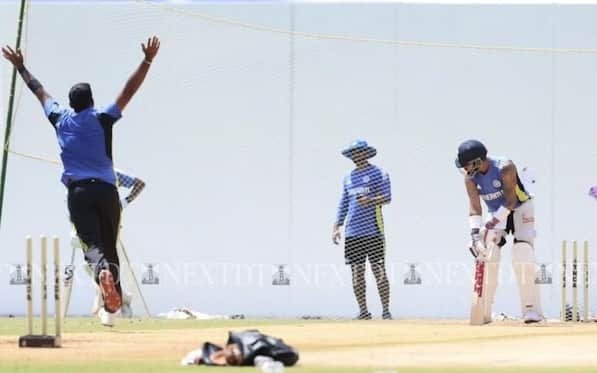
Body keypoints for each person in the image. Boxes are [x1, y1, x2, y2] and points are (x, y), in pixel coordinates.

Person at [2, 36, 160, 319]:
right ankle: (113, 296)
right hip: (108, 191)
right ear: (92, 101)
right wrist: (147, 61)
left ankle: (104, 280)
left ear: (72, 103)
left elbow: (40, 92)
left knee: (92, 243)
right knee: (110, 244)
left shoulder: (60, 119)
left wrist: (21, 67)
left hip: (78, 193)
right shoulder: (102, 117)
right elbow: (128, 91)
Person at [455, 139, 542, 324]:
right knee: (489, 253)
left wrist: (489, 226)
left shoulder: (505, 167)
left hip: (520, 207)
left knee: (522, 252)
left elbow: (510, 202)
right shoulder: (470, 177)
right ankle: (484, 311)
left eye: (468, 165)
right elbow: (474, 206)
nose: (465, 169)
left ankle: (531, 310)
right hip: (496, 211)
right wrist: (474, 234)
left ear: (478, 161)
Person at [67, 170, 146, 326]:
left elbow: (139, 184)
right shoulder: (110, 172)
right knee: (104, 264)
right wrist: (123, 203)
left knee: (97, 263)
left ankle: (111, 304)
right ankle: (116, 302)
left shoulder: (80, 170)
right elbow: (139, 184)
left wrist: (123, 202)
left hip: (89, 227)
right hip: (107, 222)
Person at [332, 140, 392, 320]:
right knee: (357, 273)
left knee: (378, 270)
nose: (356, 155)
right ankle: (363, 311)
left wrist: (370, 200)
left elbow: (387, 197)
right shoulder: (348, 178)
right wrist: (336, 226)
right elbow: (344, 203)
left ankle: (386, 311)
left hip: (373, 231)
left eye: (360, 152)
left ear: (366, 153)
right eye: (353, 153)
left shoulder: (379, 173)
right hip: (353, 233)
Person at [180, 330, 299, 367]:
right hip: (252, 353)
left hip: (258, 350)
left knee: (260, 359)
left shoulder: (258, 349)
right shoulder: (209, 353)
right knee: (260, 359)